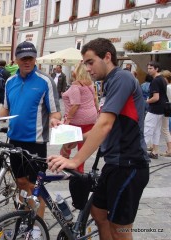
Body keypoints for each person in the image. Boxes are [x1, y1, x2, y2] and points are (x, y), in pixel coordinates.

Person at [48, 38, 150, 240]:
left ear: (108, 57)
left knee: (119, 229)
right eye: (85, 63)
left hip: (130, 164)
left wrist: (76, 160)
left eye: (90, 62)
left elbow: (105, 125)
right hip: (114, 164)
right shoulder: (108, 83)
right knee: (98, 212)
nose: (87, 68)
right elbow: (98, 127)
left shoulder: (121, 79)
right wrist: (72, 137)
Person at [0, 41, 61, 228]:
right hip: (14, 140)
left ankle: (37, 227)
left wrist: (54, 120)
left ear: (35, 58)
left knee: (36, 188)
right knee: (20, 182)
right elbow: (5, 111)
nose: (27, 61)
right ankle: (25, 215)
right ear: (17, 60)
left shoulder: (45, 81)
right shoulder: (10, 82)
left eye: (30, 58)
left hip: (35, 142)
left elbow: (55, 111)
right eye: (23, 58)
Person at [61, 62, 98, 173]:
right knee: (82, 145)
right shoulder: (89, 84)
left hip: (77, 119)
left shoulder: (76, 85)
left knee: (66, 144)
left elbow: (75, 104)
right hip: (90, 117)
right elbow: (95, 99)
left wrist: (67, 120)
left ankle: (64, 165)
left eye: (74, 69)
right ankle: (80, 169)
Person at [144, 61, 168, 159]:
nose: (148, 70)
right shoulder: (163, 79)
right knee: (156, 131)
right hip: (162, 109)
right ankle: (155, 152)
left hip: (154, 109)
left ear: (156, 69)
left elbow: (156, 97)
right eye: (148, 68)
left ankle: (141, 151)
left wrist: (147, 101)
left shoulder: (155, 81)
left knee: (147, 129)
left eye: (151, 68)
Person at [159, 70, 171, 157]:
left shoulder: (167, 87)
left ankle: (169, 149)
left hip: (166, 108)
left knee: (165, 129)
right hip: (167, 108)